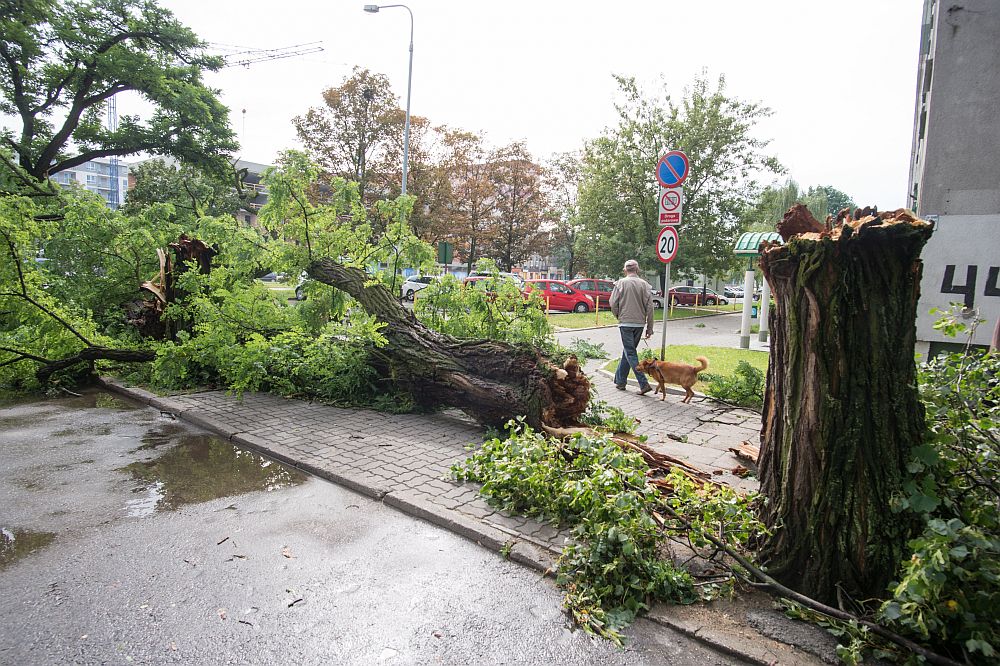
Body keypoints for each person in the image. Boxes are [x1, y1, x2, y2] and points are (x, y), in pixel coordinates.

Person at [609, 259, 655, 395]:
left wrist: (619, 316)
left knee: (630, 352)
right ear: (637, 270)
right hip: (639, 324)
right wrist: (650, 327)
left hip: (625, 323)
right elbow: (650, 308)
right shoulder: (645, 285)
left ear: (625, 270)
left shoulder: (620, 284)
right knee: (629, 352)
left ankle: (643, 383)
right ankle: (620, 381)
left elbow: (613, 303)